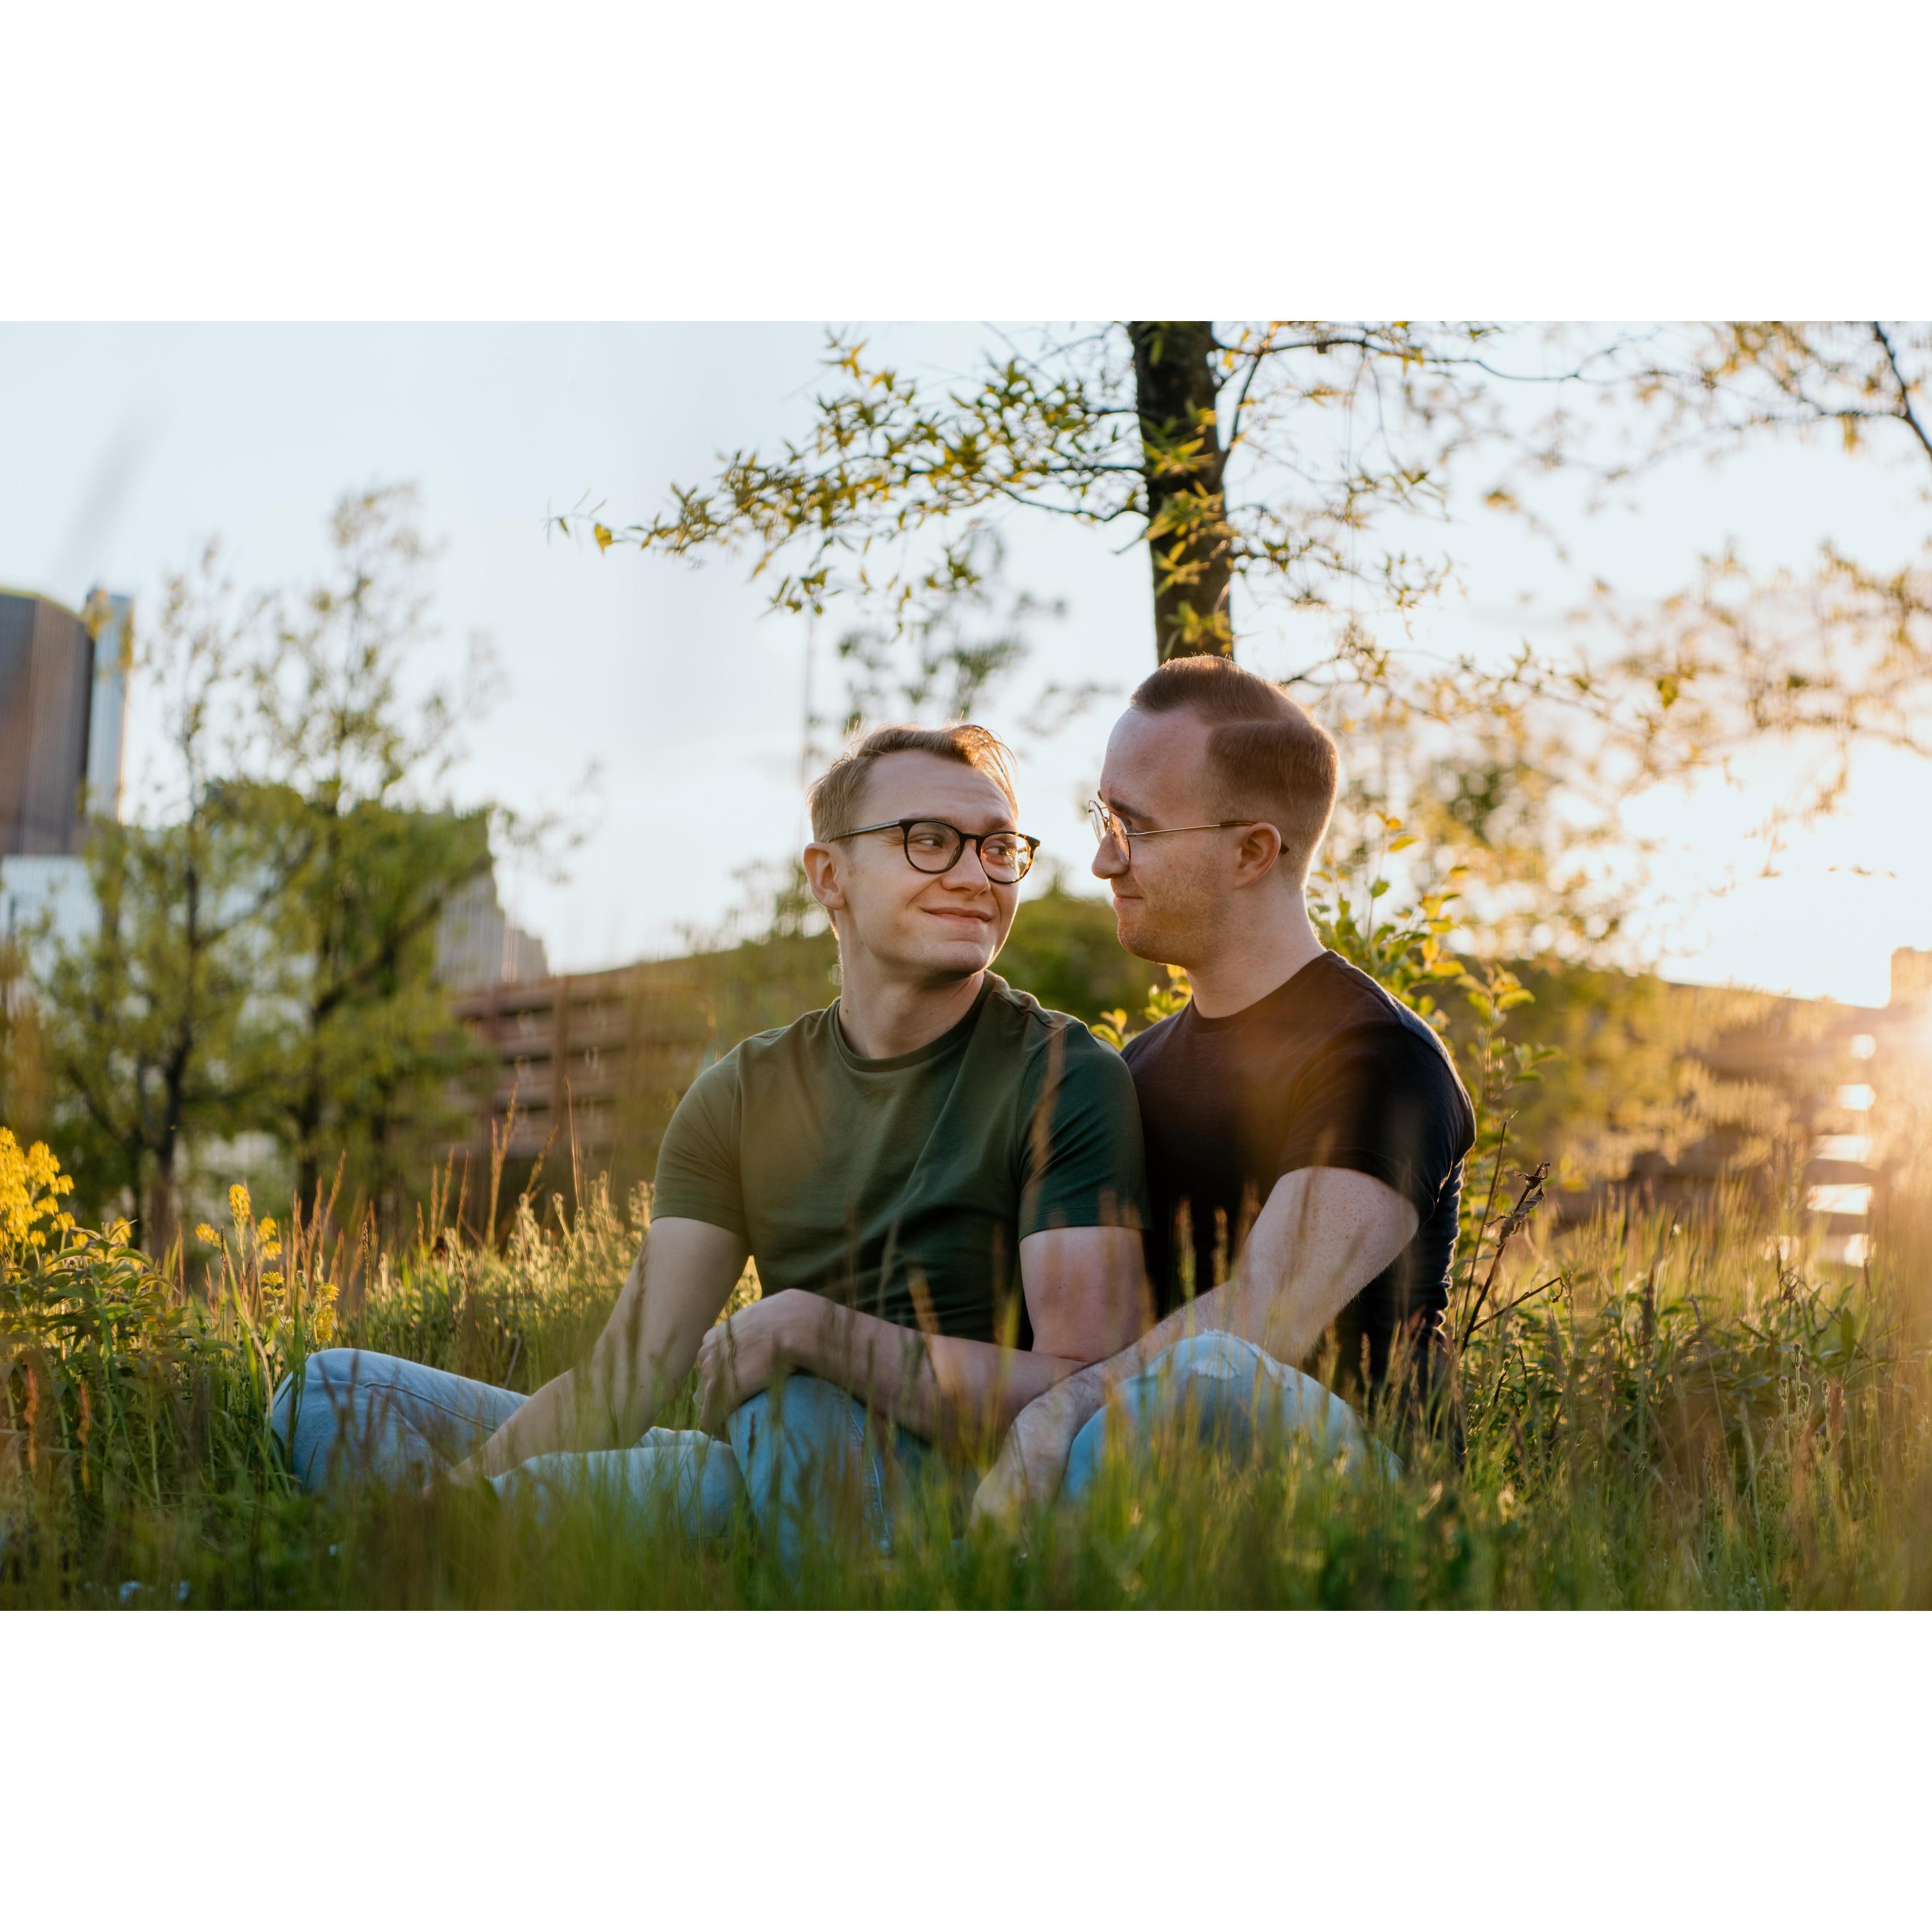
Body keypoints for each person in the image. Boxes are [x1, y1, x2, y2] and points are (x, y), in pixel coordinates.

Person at [274, 724, 1150, 1562]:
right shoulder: (743, 1093)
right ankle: (430, 1550)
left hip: (941, 1484)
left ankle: (410, 1563)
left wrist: (819, 1333)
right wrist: (459, 1498)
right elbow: (625, 1383)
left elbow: (1084, 1390)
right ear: (830, 875)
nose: (974, 875)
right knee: (328, 1393)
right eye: (930, 841)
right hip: (762, 1458)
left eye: (998, 848)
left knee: (782, 1406)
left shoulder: (1063, 1077)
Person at [973, 657, 1475, 1523]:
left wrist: (1057, 1412)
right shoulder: (1132, 1070)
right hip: (1155, 1502)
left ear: (1252, 852)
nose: (1102, 860)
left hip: (1369, 1522)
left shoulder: (1381, 1059)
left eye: (1134, 827)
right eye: (1103, 818)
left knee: (1213, 1375)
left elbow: (1266, 1317)